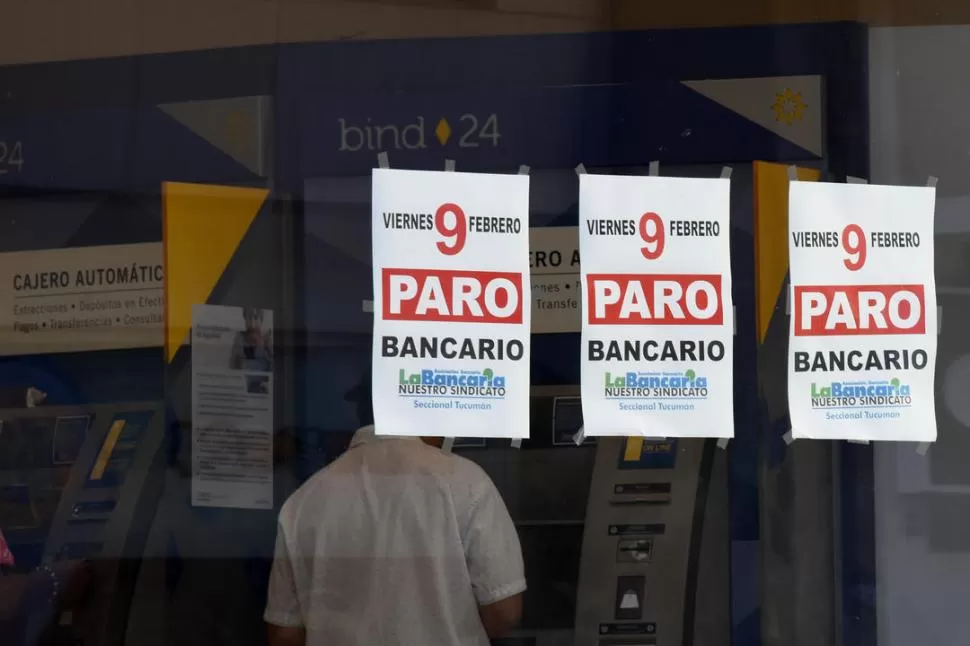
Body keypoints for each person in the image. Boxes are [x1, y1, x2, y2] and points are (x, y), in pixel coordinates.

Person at [263, 370, 526, 646]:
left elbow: (284, 633)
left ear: (361, 410)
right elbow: (504, 611)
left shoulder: (304, 501)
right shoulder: (468, 484)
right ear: (427, 409)